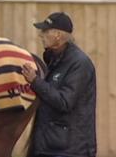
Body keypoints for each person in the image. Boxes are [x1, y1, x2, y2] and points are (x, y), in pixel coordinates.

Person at [21, 12, 97, 157]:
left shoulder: (79, 63)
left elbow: (64, 101)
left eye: (45, 32)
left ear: (58, 35)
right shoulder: (54, 60)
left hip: (70, 151)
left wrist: (35, 81)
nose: (41, 35)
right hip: (51, 147)